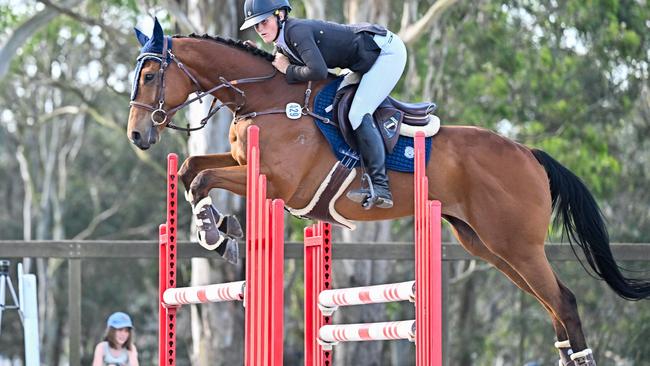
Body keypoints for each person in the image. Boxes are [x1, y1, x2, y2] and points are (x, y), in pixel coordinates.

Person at [240, 0, 407, 209]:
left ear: (280, 15)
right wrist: (256, 56)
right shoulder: (282, 41)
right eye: (256, 26)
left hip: (385, 54)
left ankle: (381, 187)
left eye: (264, 22)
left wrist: (288, 71)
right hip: (363, 59)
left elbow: (316, 72)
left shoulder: (296, 32)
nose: (260, 29)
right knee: (335, 105)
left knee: (357, 113)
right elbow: (280, 64)